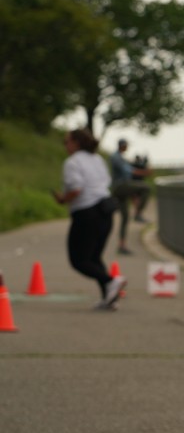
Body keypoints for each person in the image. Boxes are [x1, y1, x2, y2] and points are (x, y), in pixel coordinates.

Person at [53, 128, 126, 310]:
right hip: (106, 210)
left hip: (86, 213)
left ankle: (111, 280)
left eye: (67, 142)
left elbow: (76, 188)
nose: (65, 145)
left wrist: (63, 199)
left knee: (78, 260)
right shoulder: (97, 159)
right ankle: (109, 297)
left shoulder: (72, 162)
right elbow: (106, 182)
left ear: (76, 143)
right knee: (94, 257)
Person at [109, 137, 150, 255]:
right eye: (126, 145)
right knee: (146, 188)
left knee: (125, 217)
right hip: (120, 186)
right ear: (122, 145)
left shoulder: (121, 157)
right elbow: (127, 171)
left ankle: (122, 245)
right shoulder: (116, 157)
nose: (127, 147)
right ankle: (138, 214)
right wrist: (143, 172)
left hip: (123, 188)